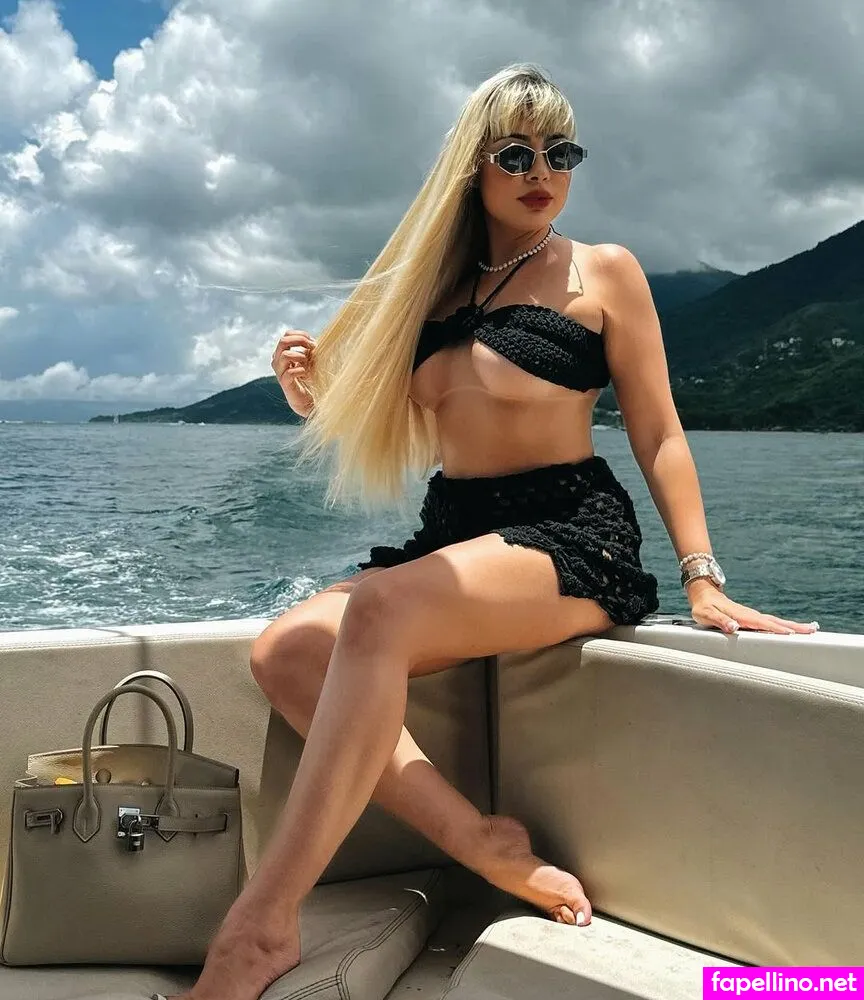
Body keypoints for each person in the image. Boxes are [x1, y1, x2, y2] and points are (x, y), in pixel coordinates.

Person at [157, 63, 819, 1000]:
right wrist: (306, 389)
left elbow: (660, 431)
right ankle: (477, 838)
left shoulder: (605, 272)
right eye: (516, 153)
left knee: (378, 612)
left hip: (569, 533)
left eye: (560, 152)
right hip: (455, 538)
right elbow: (377, 414)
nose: (541, 170)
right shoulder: (426, 297)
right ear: (473, 167)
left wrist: (702, 574)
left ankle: (261, 926)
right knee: (287, 652)